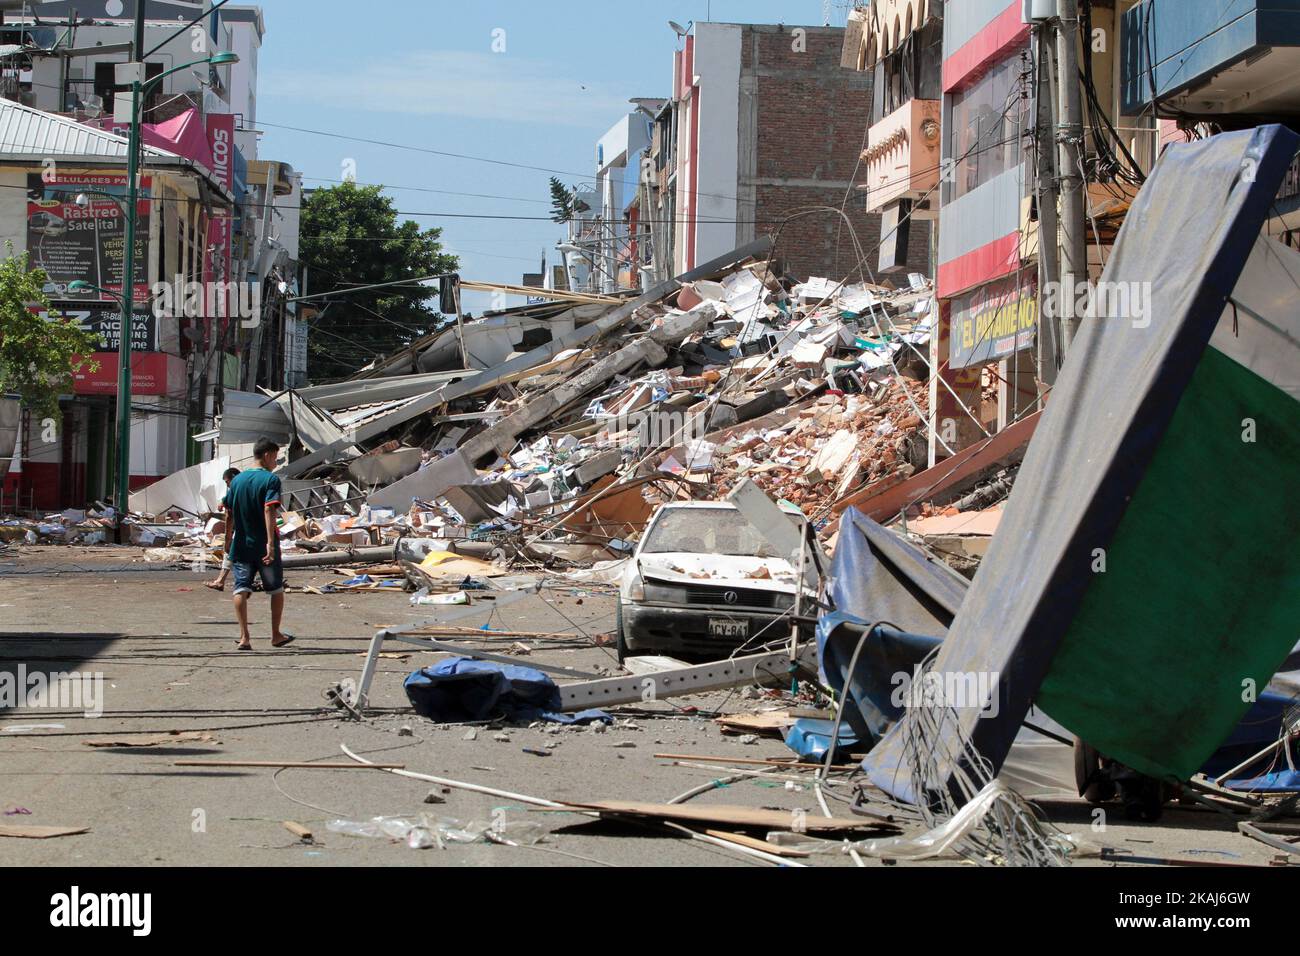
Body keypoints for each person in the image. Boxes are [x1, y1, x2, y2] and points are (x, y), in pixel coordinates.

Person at [223, 437, 293, 651]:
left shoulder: (236, 481)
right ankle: (275, 635)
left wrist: (227, 541)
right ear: (267, 455)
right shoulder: (270, 480)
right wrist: (271, 544)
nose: (276, 462)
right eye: (276, 457)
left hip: (241, 545)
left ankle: (244, 637)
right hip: (263, 547)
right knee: (275, 589)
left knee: (240, 588)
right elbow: (268, 509)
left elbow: (229, 514)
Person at [205, 467, 241, 591]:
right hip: (254, 529)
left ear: (233, 478)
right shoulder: (244, 488)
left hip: (244, 530)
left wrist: (227, 537)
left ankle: (221, 581)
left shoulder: (236, 489)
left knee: (230, 552)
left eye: (227, 482)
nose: (228, 485)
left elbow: (229, 515)